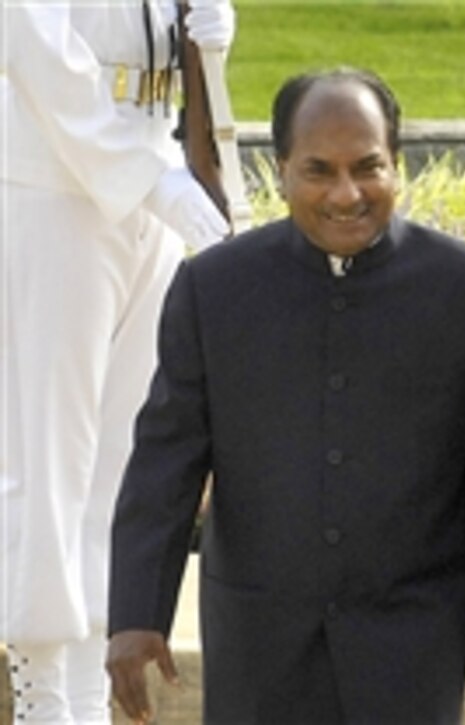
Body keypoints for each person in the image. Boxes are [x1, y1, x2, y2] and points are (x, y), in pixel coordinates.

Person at [105, 67, 465, 723]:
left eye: (368, 167)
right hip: (259, 641)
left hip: (414, 641)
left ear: (396, 165)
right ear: (281, 169)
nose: (347, 194)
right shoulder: (213, 289)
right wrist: (138, 614)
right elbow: (165, 462)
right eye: (319, 170)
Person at [1, 1, 234, 721]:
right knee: (47, 460)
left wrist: (213, 45)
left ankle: (86, 691)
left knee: (121, 461)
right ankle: (42, 688)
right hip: (52, 184)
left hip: (152, 171)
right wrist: (148, 178)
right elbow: (36, 50)